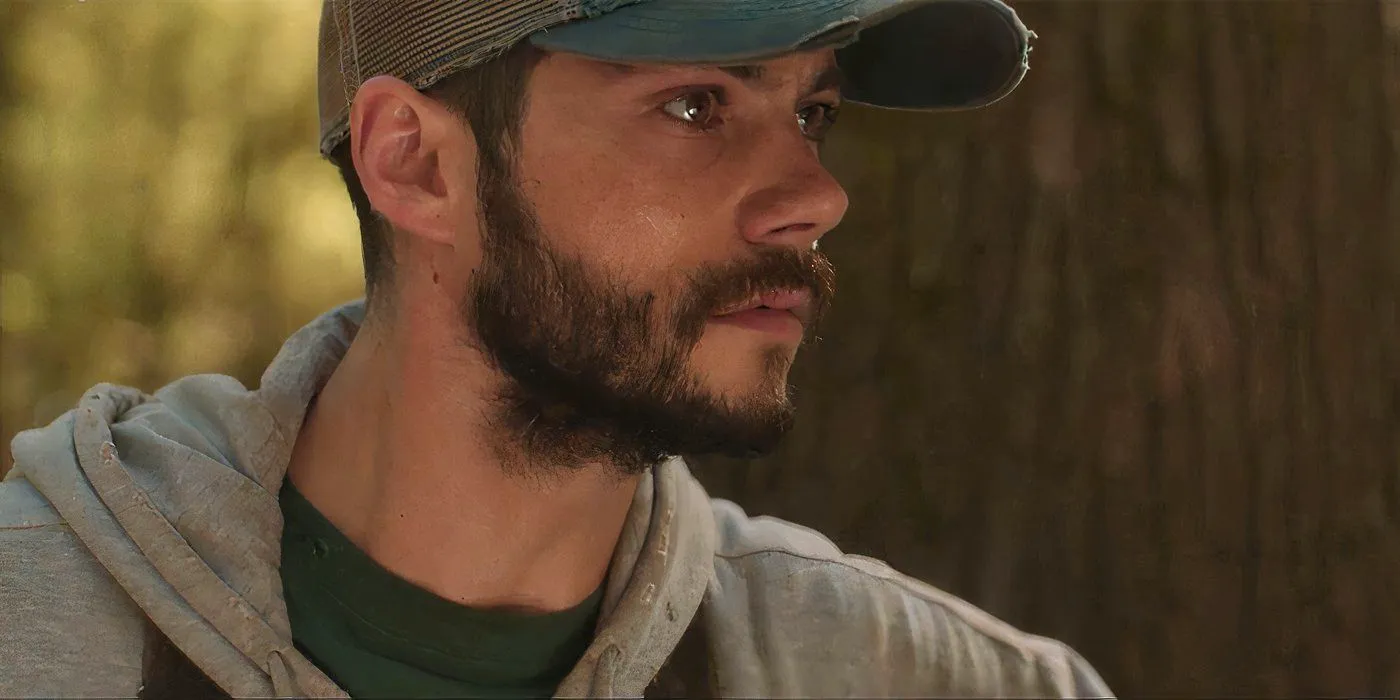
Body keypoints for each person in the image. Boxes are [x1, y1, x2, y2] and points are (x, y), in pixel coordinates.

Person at [0, 0, 1113, 697]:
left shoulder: (902, 675)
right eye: (693, 107)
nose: (814, 197)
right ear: (417, 165)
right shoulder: (35, 630)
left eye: (811, 112)